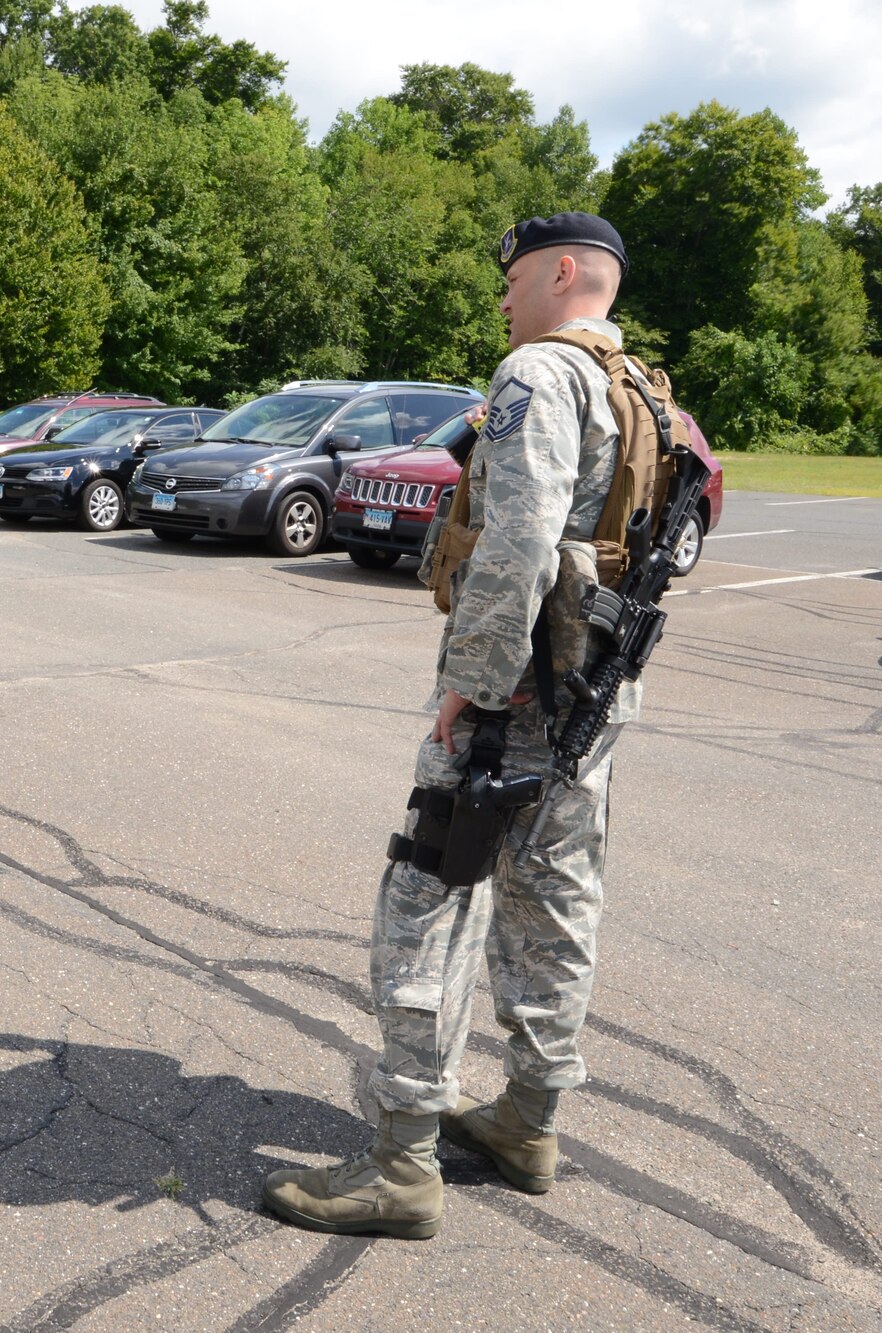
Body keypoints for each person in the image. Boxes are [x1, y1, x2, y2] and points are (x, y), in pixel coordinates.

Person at [262, 213, 639, 1240]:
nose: (503, 300)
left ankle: (401, 1164)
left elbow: (517, 537)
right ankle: (527, 1122)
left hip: (510, 698)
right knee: (555, 900)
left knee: (426, 899)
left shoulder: (536, 373)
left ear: (561, 272)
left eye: (511, 279)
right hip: (585, 700)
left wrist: (471, 684)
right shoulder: (636, 384)